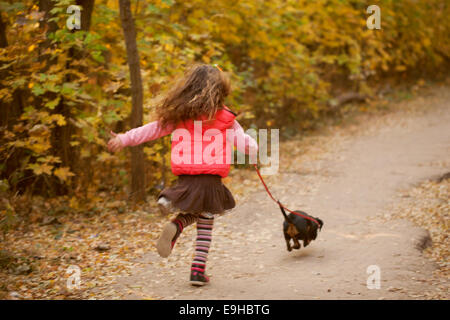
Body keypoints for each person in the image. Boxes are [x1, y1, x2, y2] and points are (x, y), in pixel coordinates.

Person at [108, 64, 258, 286]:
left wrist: (124, 138)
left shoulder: (179, 115)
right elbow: (246, 144)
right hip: (211, 180)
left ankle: (172, 209)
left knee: (193, 211)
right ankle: (197, 271)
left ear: (188, 88)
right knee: (206, 221)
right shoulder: (227, 120)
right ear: (221, 90)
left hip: (186, 177)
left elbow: (150, 130)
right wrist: (254, 149)